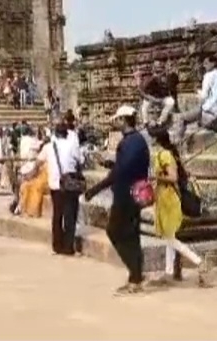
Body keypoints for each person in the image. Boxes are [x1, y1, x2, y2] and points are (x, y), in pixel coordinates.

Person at [85, 105, 151, 295]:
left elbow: (120, 172)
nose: (115, 122)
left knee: (114, 231)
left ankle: (136, 274)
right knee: (131, 235)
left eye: (117, 119)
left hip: (126, 196)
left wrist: (95, 189)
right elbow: (124, 166)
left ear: (124, 120)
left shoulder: (130, 142)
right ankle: (135, 276)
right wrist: (108, 163)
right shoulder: (137, 141)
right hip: (133, 194)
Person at [150, 128, 212, 286]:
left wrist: (155, 176)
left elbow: (173, 176)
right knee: (169, 235)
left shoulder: (164, 154)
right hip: (166, 197)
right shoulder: (169, 153)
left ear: (157, 140)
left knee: (169, 237)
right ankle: (169, 271)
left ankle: (198, 261)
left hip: (168, 197)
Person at [44, 122, 85, 256]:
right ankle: (68, 247)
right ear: (67, 134)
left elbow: (39, 161)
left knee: (57, 215)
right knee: (70, 216)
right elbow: (80, 160)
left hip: (55, 185)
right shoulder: (72, 145)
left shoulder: (49, 147)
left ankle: (57, 245)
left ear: (55, 134)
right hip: (69, 184)